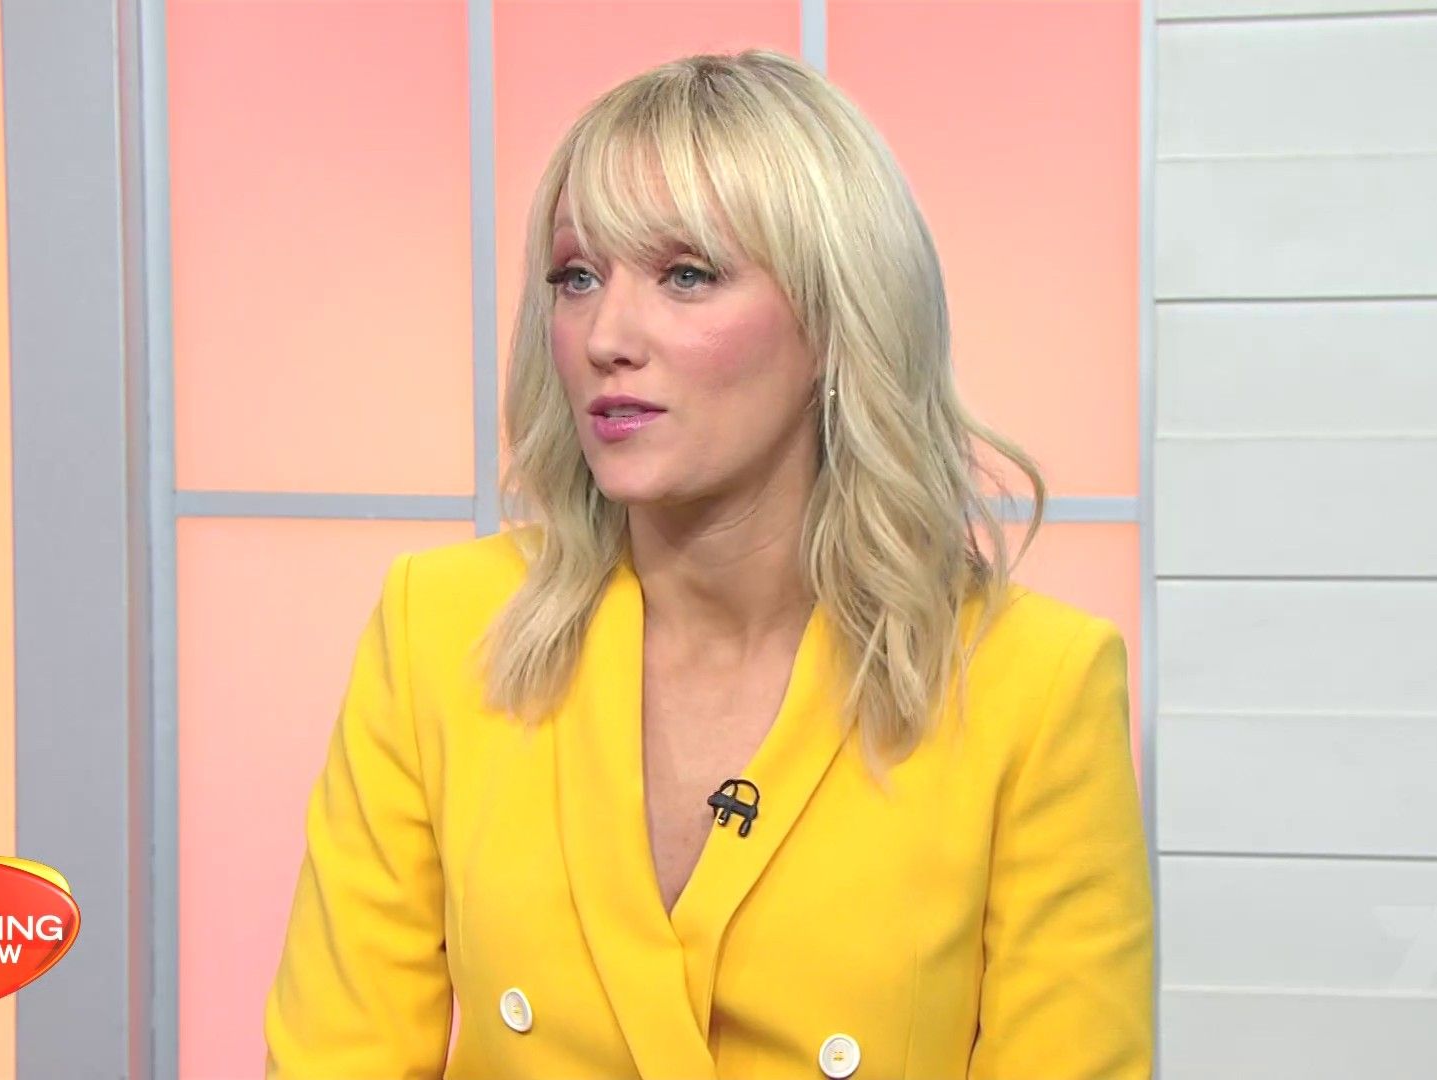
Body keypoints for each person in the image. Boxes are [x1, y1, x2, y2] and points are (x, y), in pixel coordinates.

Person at [263, 47, 1152, 1080]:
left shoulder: (1035, 686)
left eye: (686, 275)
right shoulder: (442, 628)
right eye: (577, 277)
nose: (606, 335)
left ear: (836, 318)